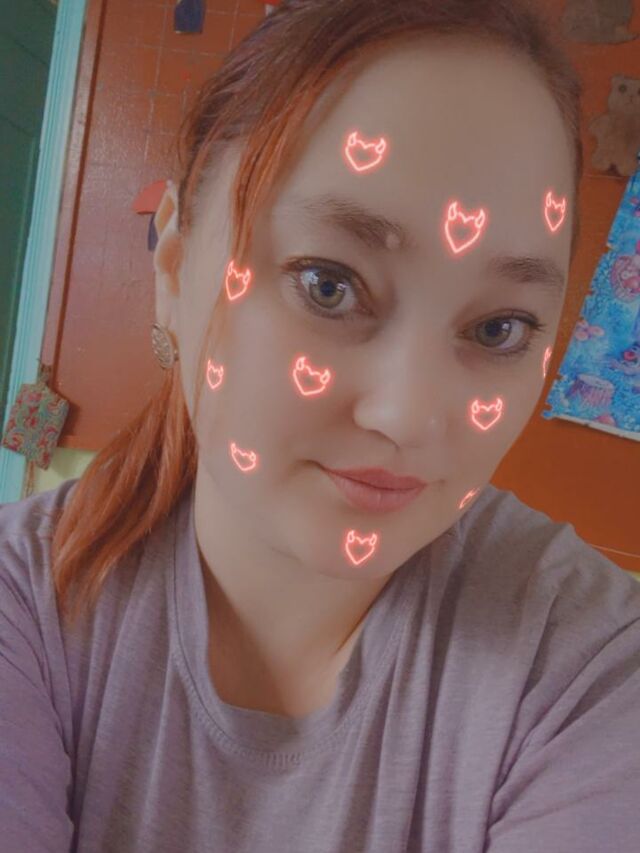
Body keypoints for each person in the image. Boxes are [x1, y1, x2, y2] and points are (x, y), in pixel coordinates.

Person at [1, 1, 639, 851]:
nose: (407, 415)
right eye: (329, 284)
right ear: (176, 265)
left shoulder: (593, 670)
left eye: (498, 329)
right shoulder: (24, 605)